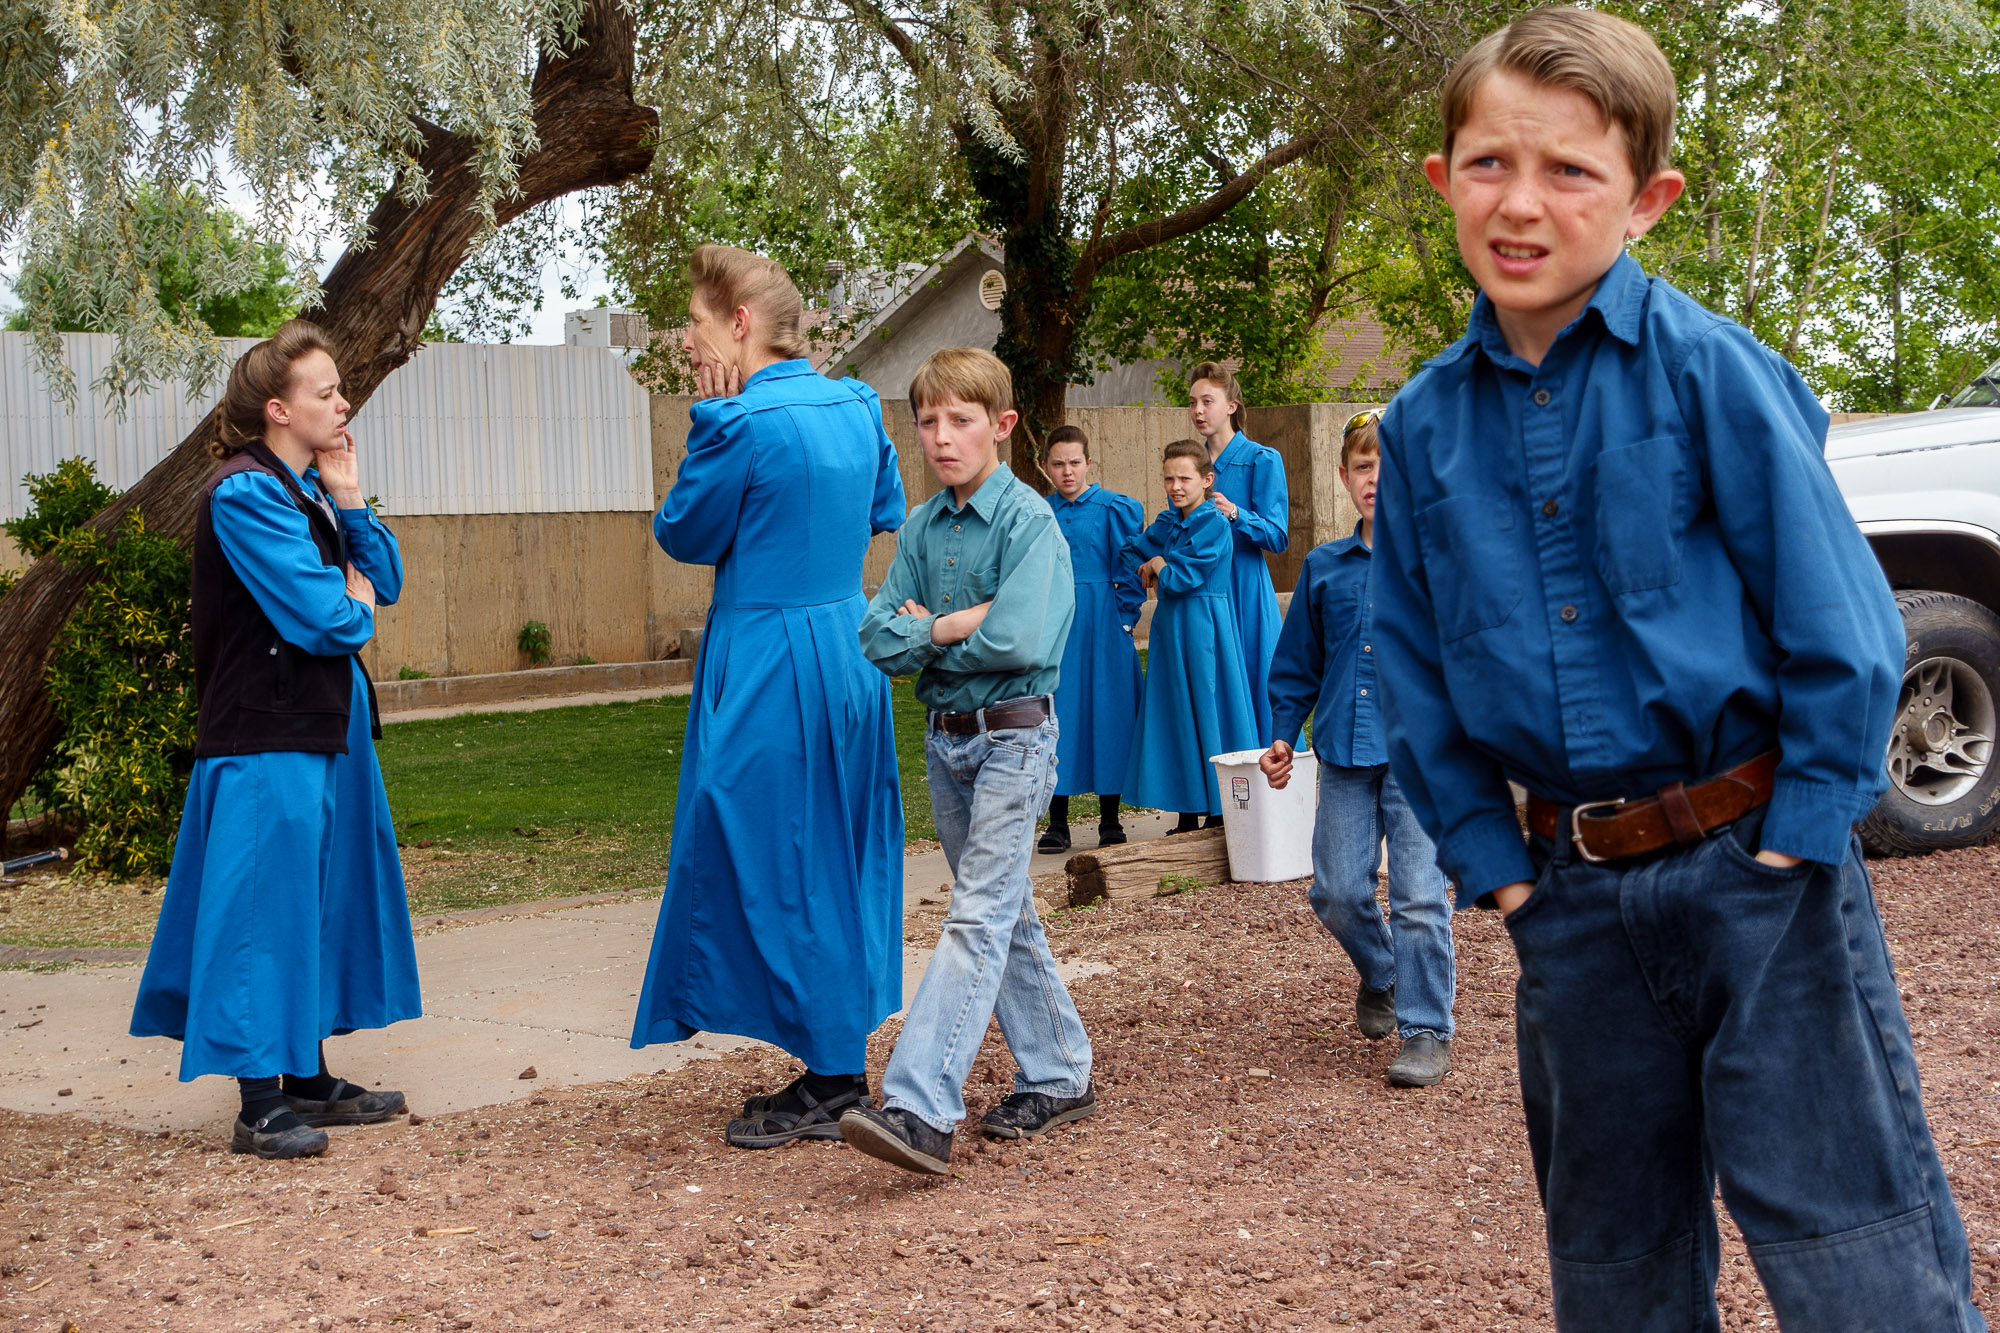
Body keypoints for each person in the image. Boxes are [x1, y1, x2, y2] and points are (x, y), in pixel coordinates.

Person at [1370, 9, 1985, 1328]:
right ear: (1443, 181)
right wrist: (1502, 869)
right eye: (1488, 165)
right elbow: (1412, 666)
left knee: (1851, 1242)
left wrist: (1798, 837)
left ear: (1647, 199)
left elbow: (1846, 623)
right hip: (1574, 906)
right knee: (1615, 1266)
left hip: (1756, 873)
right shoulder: (1420, 430)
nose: (1521, 204)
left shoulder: (1711, 373)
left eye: (1570, 172)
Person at [630, 245, 907, 1150]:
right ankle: (830, 1056)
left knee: (770, 851)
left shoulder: (737, 420)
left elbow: (683, 532)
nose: (689, 338)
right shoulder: (859, 405)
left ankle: (832, 1076)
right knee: (832, 849)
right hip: (847, 643)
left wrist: (709, 417)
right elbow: (883, 509)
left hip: (767, 657)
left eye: (699, 324)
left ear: (738, 325)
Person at [131, 319, 417, 1161]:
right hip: (265, 736)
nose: (343, 402)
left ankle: (306, 1077)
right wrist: (352, 600)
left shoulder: (312, 492)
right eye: (325, 392)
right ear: (276, 409)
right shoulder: (245, 493)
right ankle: (259, 1104)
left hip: (319, 730)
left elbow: (386, 580)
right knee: (263, 908)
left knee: (318, 899)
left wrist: (353, 497)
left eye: (340, 388)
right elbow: (328, 615)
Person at [843, 348, 1092, 1176]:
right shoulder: (919, 528)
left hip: (1016, 739)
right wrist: (951, 626)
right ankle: (1060, 1071)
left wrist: (931, 630)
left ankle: (919, 1106)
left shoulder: (1031, 525)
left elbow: (1021, 636)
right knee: (1004, 913)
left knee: (976, 916)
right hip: (946, 740)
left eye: (960, 420)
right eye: (927, 421)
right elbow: (879, 636)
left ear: (1002, 425)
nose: (941, 437)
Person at [1260, 410, 1456, 1088]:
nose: (1376, 479)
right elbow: (1296, 664)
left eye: (1389, 466)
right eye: (1364, 467)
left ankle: (1427, 1028)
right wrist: (1284, 733)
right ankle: (1383, 971)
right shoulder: (1323, 568)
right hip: (1344, 750)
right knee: (1338, 891)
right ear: (1345, 477)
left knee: (1421, 898)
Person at [1121, 440, 1260, 832]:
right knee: (1175, 712)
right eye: (1169, 478)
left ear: (1207, 480)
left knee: (1207, 710)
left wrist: (1161, 563)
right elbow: (1137, 553)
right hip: (1170, 628)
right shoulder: (1169, 522)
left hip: (1204, 626)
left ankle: (1217, 811)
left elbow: (1183, 577)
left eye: (1185, 478)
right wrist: (1150, 562)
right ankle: (1186, 811)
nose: (1176, 486)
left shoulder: (1213, 523)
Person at [1038, 424, 1146, 854]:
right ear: (1046, 467)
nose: (1068, 472)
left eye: (1075, 463)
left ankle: (1110, 820)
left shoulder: (1112, 508)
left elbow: (1133, 564)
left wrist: (1124, 618)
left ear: (1088, 463)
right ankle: (1058, 823)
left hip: (1104, 622)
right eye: (1058, 464)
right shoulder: (1038, 511)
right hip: (1055, 626)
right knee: (1056, 715)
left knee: (1110, 714)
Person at [1186, 363, 1287, 742]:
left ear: (1231, 405)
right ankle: (1213, 797)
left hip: (1246, 590)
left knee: (1256, 688)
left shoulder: (1263, 459)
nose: (1198, 410)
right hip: (1202, 591)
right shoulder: (1190, 468)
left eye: (1207, 401)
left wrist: (1234, 513)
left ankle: (1270, 792)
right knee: (1209, 691)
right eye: (1193, 402)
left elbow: (1277, 536)